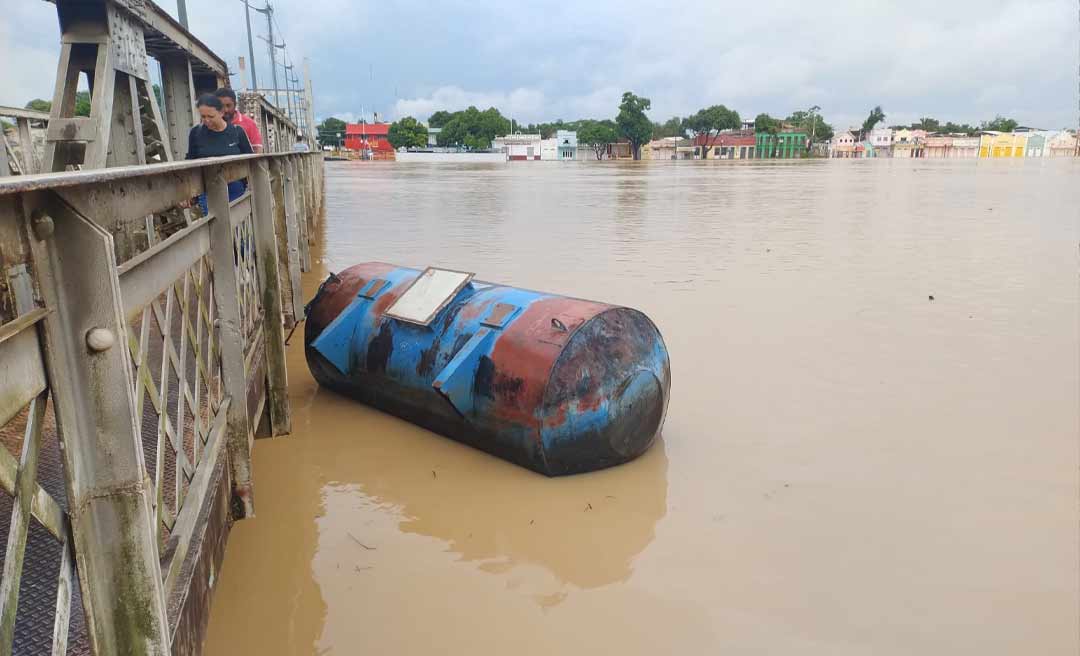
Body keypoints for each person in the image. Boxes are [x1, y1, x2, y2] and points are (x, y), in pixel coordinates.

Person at [186, 94, 252, 213]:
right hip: (208, 189)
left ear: (221, 113)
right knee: (215, 227)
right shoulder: (196, 133)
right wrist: (188, 192)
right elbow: (190, 161)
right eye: (203, 116)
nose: (206, 120)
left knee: (237, 226)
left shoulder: (237, 132)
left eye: (211, 116)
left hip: (236, 188)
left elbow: (251, 161)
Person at [214, 87, 264, 153]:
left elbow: (257, 151)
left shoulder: (249, 123)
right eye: (221, 106)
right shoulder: (210, 124)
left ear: (235, 104)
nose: (225, 110)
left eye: (228, 106)